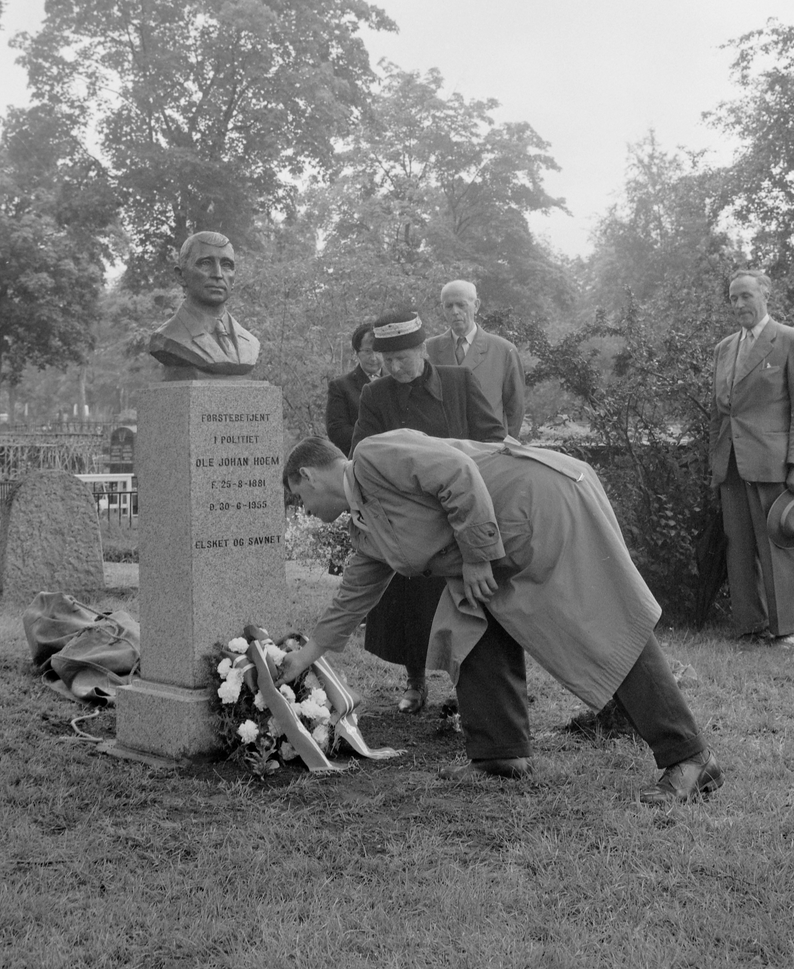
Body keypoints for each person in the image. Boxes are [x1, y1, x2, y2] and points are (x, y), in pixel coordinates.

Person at [280, 431, 723, 805]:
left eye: (298, 498)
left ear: (308, 474)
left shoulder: (373, 456)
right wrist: (307, 656)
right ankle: (500, 755)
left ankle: (690, 758)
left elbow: (457, 471)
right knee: (471, 624)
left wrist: (475, 556)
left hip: (539, 506)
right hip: (498, 537)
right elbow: (356, 592)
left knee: (604, 627)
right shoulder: (364, 525)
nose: (303, 512)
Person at [350, 309, 506, 714]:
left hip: (462, 512)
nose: (395, 367)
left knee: (469, 602)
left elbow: (492, 438)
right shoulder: (376, 395)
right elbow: (360, 453)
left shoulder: (458, 382)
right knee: (409, 604)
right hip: (410, 524)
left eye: (403, 357)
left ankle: (467, 689)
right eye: (387, 361)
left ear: (422, 349)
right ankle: (415, 682)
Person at [709, 269, 794, 646]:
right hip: (732, 464)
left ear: (766, 294)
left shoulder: (793, 341)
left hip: (774, 464)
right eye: (733, 298)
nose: (739, 304)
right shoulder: (725, 348)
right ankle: (749, 626)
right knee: (738, 548)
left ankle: (784, 629)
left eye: (746, 296)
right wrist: (716, 464)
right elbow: (719, 413)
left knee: (777, 546)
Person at [149, 231, 260, 377]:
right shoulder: (169, 337)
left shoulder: (250, 342)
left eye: (226, 265)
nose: (218, 274)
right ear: (181, 276)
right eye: (206, 263)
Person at [425, 280, 526, 438]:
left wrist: (507, 447)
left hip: (489, 447)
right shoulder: (428, 350)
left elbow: (515, 408)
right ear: (442, 309)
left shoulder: (504, 350)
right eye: (449, 306)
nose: (455, 311)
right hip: (445, 448)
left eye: (461, 305)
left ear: (476, 305)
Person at [324, 322, 380, 455]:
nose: (373, 358)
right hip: (360, 457)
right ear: (357, 353)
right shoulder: (341, 386)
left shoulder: (396, 381)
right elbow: (337, 431)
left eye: (378, 350)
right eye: (367, 351)